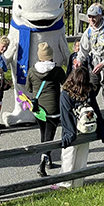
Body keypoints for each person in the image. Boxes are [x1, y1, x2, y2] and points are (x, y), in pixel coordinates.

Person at [51, 66, 104, 190]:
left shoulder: (66, 94)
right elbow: (96, 111)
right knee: (81, 159)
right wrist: (102, 130)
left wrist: (69, 134)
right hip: (87, 129)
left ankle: (65, 185)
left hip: (73, 130)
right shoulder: (89, 91)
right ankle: (78, 184)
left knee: (68, 158)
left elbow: (66, 114)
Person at [26, 42, 66, 177]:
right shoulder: (58, 71)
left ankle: (48, 161)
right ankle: (42, 164)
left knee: (43, 133)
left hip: (38, 108)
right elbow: (65, 85)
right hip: (53, 108)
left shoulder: (32, 70)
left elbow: (29, 89)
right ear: (51, 55)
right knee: (49, 137)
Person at [77, 3, 104, 128]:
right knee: (90, 95)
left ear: (100, 15)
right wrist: (79, 60)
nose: (91, 20)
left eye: (94, 17)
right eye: (89, 17)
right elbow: (84, 49)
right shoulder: (89, 31)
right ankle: (90, 119)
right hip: (94, 67)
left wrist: (103, 63)